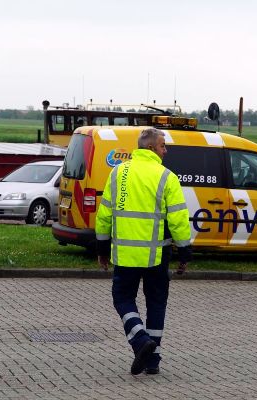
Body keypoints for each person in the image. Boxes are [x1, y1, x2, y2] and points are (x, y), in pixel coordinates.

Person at [96, 128, 192, 375]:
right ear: (150, 148)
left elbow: (105, 214)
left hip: (125, 256)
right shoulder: (166, 176)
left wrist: (102, 248)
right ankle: (152, 359)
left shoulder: (118, 173)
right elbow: (179, 219)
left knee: (122, 298)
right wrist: (184, 252)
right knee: (156, 303)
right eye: (163, 146)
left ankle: (139, 339)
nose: (166, 150)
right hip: (157, 256)